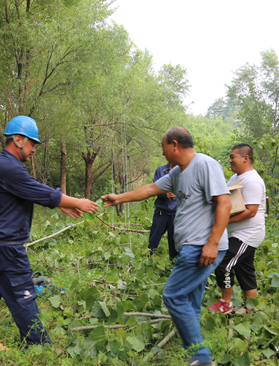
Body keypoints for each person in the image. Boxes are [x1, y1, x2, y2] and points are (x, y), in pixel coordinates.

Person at [0, 115, 100, 349]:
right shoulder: (8, 167)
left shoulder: (8, 165)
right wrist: (77, 201)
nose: (34, 149)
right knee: (22, 292)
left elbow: (31, 191)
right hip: (2, 245)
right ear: (17, 139)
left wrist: (63, 204)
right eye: (32, 143)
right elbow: (36, 190)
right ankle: (38, 344)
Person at [103, 126, 231, 366]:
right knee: (190, 299)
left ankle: (201, 358)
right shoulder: (177, 173)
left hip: (201, 245)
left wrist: (212, 243)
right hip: (191, 246)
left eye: (163, 147)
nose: (162, 153)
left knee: (172, 294)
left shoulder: (205, 164)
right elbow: (151, 189)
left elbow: (224, 203)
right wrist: (118, 198)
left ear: (174, 144)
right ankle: (196, 352)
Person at [209, 144, 266, 315]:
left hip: (247, 234)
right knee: (245, 270)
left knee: (223, 264)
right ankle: (250, 309)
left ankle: (225, 304)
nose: (230, 160)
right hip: (238, 232)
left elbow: (251, 211)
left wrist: (224, 221)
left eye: (233, 156)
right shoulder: (236, 177)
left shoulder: (253, 180)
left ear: (245, 158)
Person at [148, 163, 177, 260]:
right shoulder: (160, 170)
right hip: (161, 212)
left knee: (174, 242)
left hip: (176, 213)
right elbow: (154, 188)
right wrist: (165, 194)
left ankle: (173, 264)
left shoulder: (184, 170)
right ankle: (148, 260)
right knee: (153, 239)